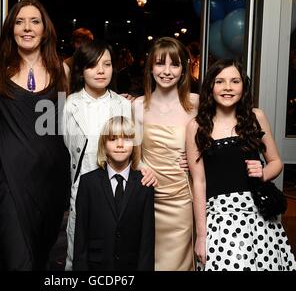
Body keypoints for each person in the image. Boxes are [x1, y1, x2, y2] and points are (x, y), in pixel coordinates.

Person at [186, 59, 296, 271]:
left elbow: (276, 162)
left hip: (260, 218)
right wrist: (201, 235)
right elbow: (198, 182)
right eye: (220, 81)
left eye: (235, 81)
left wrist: (263, 173)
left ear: (243, 86)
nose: (228, 87)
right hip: (220, 221)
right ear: (211, 86)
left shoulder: (256, 117)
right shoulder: (196, 127)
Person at [0, 0, 71, 270]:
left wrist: (126, 104)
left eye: (35, 21)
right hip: (9, 179)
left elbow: (73, 117)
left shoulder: (62, 70)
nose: (27, 28)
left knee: (40, 255)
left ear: (45, 30)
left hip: (51, 181)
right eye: (20, 22)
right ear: (11, 29)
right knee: (17, 259)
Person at [63, 39, 157, 270]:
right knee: (80, 255)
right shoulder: (67, 105)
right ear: (81, 70)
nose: (101, 71)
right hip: (84, 192)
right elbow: (65, 152)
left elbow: (133, 145)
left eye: (106, 64)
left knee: (117, 254)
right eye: (93, 65)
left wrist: (144, 168)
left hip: (116, 191)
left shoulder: (123, 105)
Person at [133, 37, 198, 270]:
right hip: (149, 196)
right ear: (151, 67)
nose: (167, 71)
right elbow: (134, 155)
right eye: (160, 64)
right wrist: (141, 167)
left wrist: (196, 161)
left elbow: (219, 143)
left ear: (184, 70)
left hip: (182, 199)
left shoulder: (196, 104)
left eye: (175, 64)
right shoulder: (137, 106)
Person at [73, 116, 155, 271]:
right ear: (104, 144)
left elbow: (147, 241)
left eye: (127, 139)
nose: (120, 145)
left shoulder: (144, 185)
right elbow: (81, 238)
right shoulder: (88, 183)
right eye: (112, 139)